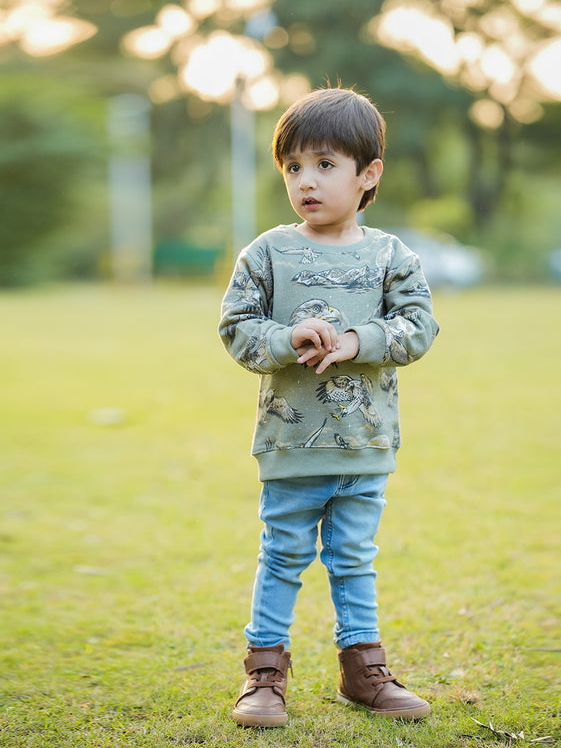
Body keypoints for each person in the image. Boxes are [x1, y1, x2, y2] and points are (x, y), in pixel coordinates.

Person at [218, 87, 440, 728]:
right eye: (292, 167)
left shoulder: (392, 256)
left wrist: (357, 341)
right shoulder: (267, 253)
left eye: (324, 164)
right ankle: (264, 675)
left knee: (354, 559)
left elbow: (418, 328)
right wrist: (287, 338)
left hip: (366, 442)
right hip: (290, 443)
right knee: (283, 554)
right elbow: (236, 330)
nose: (305, 181)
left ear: (368, 174)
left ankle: (363, 671)